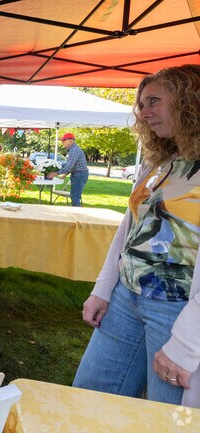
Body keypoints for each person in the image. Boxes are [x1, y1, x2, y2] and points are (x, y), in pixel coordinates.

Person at [73, 65, 200, 408]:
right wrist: (103, 290)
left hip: (179, 312)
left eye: (154, 101)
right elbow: (129, 231)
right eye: (141, 104)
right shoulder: (160, 160)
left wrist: (187, 344)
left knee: (165, 419)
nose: (143, 113)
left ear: (189, 101)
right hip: (125, 298)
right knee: (88, 398)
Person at [46, 132, 89, 206]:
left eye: (64, 140)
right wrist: (65, 174)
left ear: (71, 141)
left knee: (75, 197)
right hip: (78, 174)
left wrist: (55, 173)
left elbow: (69, 166)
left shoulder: (74, 150)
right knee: (75, 196)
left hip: (79, 174)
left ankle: (78, 215)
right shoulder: (72, 150)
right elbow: (71, 165)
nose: (62, 142)